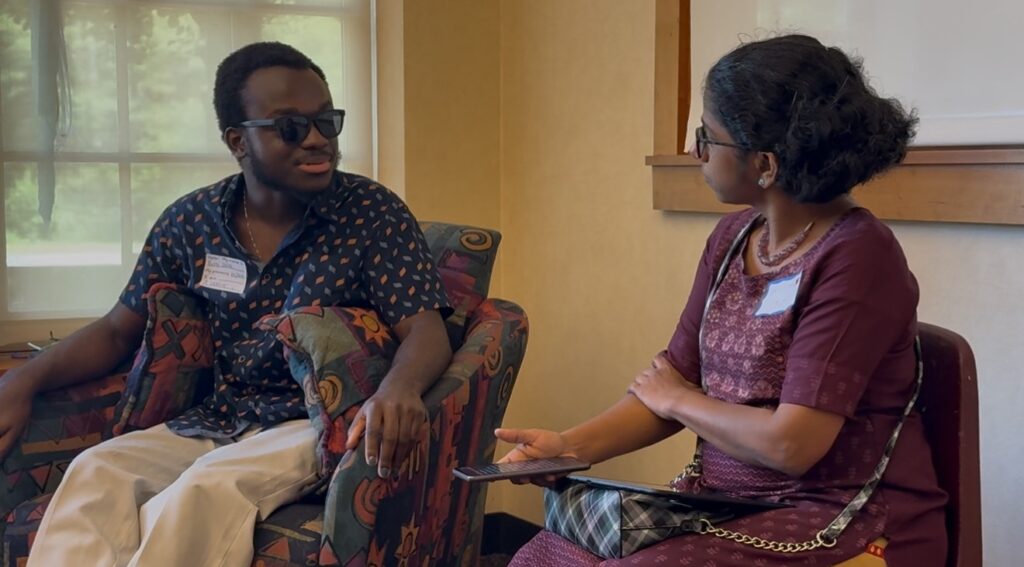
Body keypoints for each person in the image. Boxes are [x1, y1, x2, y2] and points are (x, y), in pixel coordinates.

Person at [496, 34, 947, 567]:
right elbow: (668, 381)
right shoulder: (733, 239)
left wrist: (680, 400)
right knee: (545, 554)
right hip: (724, 504)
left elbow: (791, 446)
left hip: (838, 512)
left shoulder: (858, 255)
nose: (696, 152)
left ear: (765, 164)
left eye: (707, 136)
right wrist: (568, 448)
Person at [0, 42, 453, 567]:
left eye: (327, 122)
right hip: (220, 417)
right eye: (290, 127)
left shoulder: (370, 213)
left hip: (314, 422)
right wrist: (23, 380)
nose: (317, 139)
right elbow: (117, 331)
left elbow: (426, 330)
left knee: (202, 492)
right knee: (96, 472)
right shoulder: (191, 222)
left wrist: (399, 388)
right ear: (238, 141)